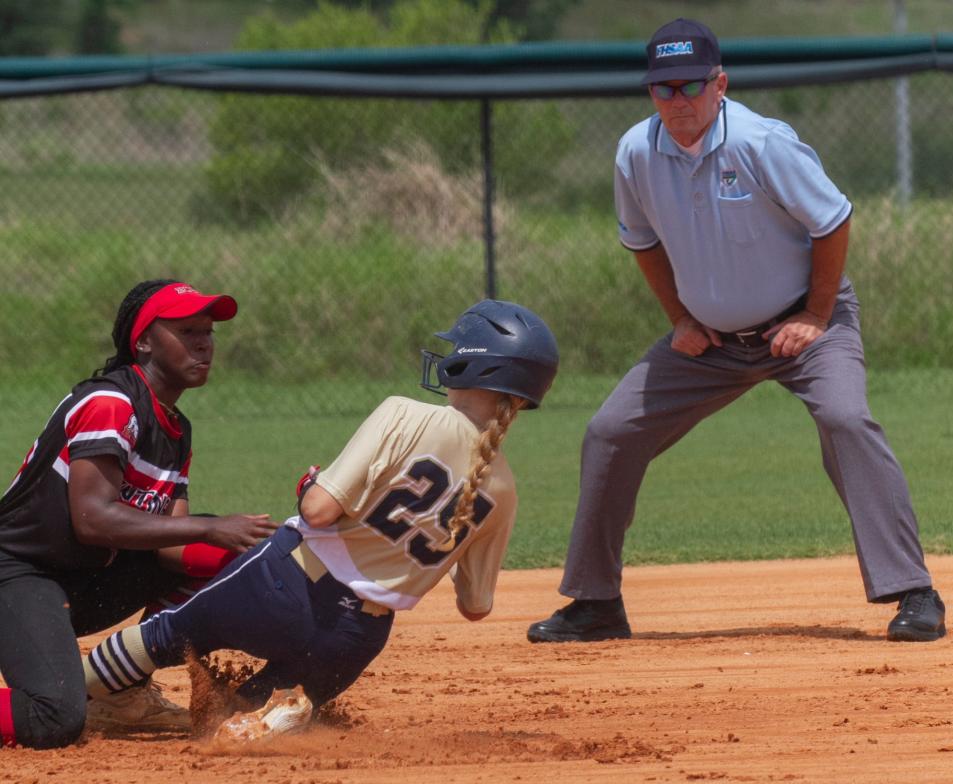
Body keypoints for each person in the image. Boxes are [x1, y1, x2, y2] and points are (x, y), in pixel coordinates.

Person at [527, 18, 945, 645]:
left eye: (691, 86)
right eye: (663, 88)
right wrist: (680, 320)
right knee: (610, 431)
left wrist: (815, 315)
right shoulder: (636, 154)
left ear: (719, 83)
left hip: (805, 326)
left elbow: (833, 221)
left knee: (845, 420)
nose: (678, 101)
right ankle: (595, 603)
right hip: (712, 345)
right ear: (650, 93)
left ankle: (914, 592)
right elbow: (641, 243)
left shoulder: (762, 143)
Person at [81, 300, 560, 741]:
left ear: (472, 364)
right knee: (233, 712)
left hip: (287, 581)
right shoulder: (503, 492)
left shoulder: (405, 413)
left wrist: (312, 482)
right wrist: (449, 539)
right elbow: (475, 606)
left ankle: (72, 694)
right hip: (354, 640)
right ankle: (273, 716)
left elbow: (319, 510)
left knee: (163, 635)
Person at [0, 280, 277, 749]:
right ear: (143, 341)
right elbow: (92, 519)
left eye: (208, 331)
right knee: (55, 718)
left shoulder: (174, 427)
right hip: (19, 574)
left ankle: (120, 694)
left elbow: (172, 545)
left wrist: (271, 550)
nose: (204, 342)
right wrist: (212, 526)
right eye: (187, 330)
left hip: (80, 581)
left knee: (228, 561)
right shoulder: (111, 403)